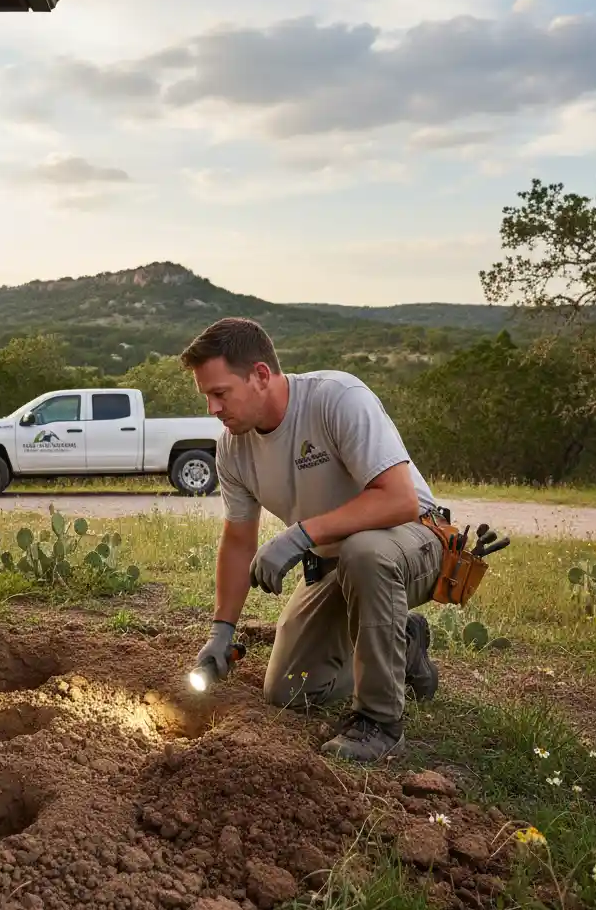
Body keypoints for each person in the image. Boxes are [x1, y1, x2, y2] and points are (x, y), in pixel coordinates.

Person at [180, 317, 443, 763]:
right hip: (335, 564)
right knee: (290, 689)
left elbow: (400, 501)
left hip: (413, 542)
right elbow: (239, 539)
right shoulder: (232, 448)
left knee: (365, 552)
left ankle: (378, 723)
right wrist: (222, 630)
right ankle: (401, 644)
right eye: (206, 396)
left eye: (220, 393)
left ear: (261, 375)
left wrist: (301, 534)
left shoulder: (337, 399)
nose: (212, 408)